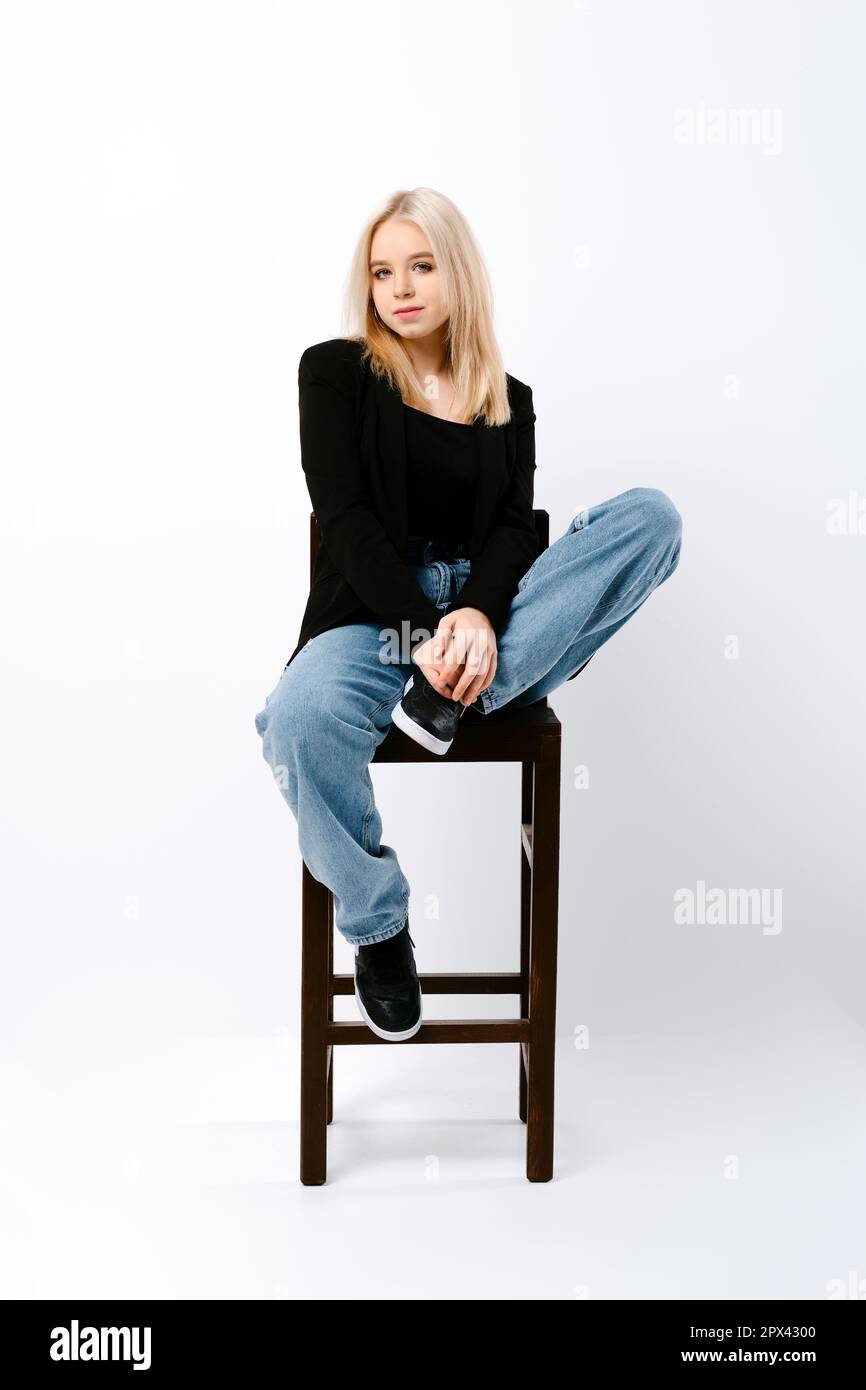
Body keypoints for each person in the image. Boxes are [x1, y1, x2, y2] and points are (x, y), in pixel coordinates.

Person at [254, 187, 682, 1043]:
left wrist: (481, 618)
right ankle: (379, 924)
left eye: (420, 265)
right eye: (382, 271)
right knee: (297, 720)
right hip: (377, 619)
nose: (399, 287)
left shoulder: (508, 398)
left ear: (459, 273)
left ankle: (467, 685)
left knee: (652, 519)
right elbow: (347, 522)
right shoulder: (334, 373)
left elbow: (510, 535)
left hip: (495, 619)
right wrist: (430, 632)